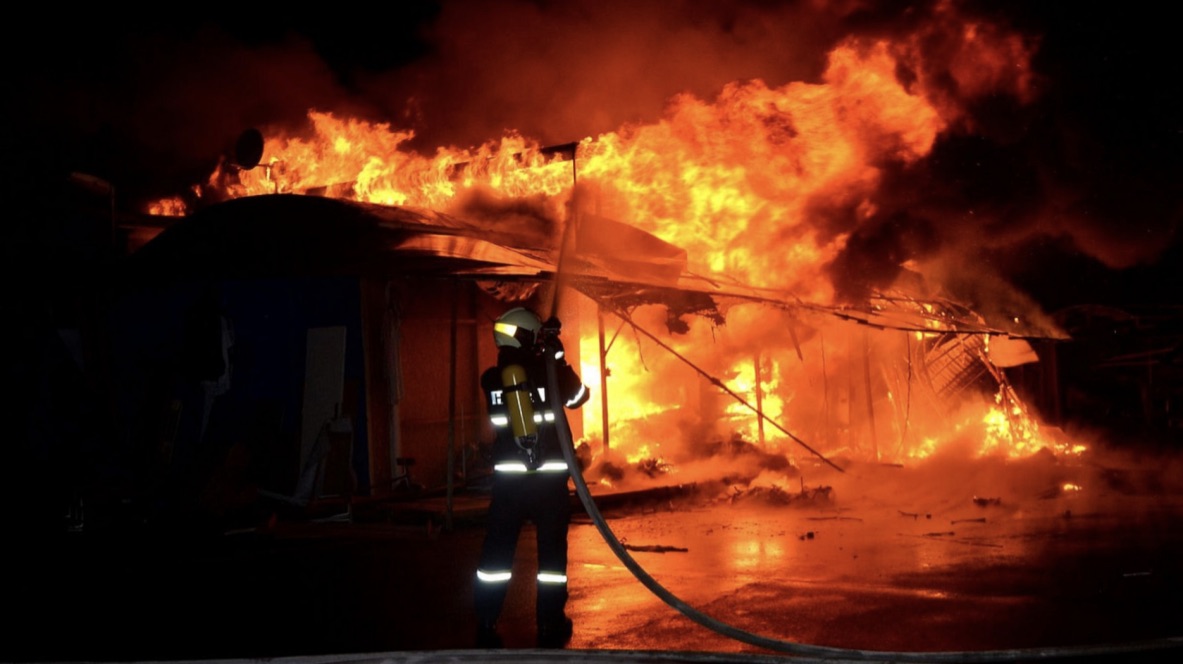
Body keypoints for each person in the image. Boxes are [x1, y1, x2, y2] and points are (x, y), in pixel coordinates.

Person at [474, 306, 590, 649]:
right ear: (525, 336)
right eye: (535, 337)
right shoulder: (546, 370)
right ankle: (550, 621)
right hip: (547, 482)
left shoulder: (491, 378)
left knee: (496, 553)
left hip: (508, 484)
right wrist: (558, 358)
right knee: (551, 558)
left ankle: (486, 617)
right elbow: (579, 397)